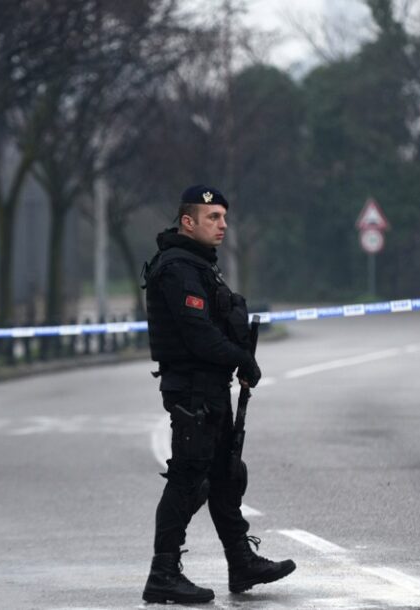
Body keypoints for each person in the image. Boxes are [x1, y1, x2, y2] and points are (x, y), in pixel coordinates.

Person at [140, 184, 295, 604]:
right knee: (188, 481)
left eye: (225, 217)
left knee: (227, 475)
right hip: (192, 390)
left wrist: (238, 351)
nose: (223, 224)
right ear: (188, 221)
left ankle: (240, 562)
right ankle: (163, 573)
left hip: (210, 388)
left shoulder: (200, 265)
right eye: (213, 218)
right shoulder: (177, 269)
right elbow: (198, 335)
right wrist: (242, 359)